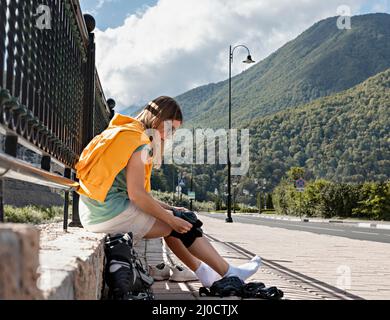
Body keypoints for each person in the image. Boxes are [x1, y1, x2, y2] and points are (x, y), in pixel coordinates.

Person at [75, 96, 261, 289]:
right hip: (109, 213)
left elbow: (136, 194)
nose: (170, 136)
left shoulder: (123, 131)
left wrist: (170, 209)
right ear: (158, 120)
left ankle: (208, 272)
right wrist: (172, 218)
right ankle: (227, 272)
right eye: (170, 129)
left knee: (177, 218)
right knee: (181, 223)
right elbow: (137, 195)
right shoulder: (139, 142)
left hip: (93, 210)